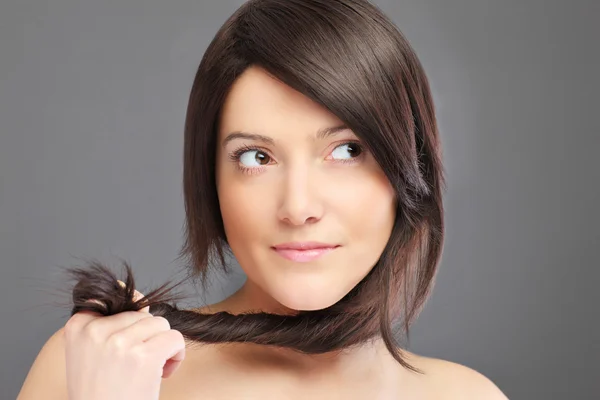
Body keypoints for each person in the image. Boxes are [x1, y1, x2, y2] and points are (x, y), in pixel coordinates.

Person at [18, 0, 508, 399]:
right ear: (210, 178)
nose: (298, 207)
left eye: (346, 150)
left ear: (410, 165)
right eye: (256, 157)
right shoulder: (91, 366)